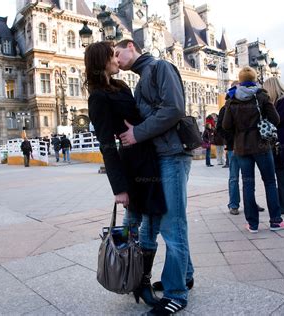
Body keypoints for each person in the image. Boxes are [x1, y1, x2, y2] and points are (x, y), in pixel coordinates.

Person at [85, 41, 167, 307]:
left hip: (147, 155)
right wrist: (118, 187)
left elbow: (137, 117)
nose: (117, 61)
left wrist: (142, 127)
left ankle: (135, 278)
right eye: (112, 56)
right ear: (102, 62)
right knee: (144, 217)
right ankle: (140, 282)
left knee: (141, 218)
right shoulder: (97, 97)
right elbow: (106, 143)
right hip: (132, 163)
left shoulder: (120, 86)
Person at [115, 39, 194, 315]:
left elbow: (174, 108)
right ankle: (185, 275)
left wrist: (137, 132)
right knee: (169, 220)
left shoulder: (160, 67)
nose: (116, 59)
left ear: (130, 46)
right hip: (161, 156)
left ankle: (176, 293)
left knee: (173, 223)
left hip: (172, 154)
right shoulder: (141, 79)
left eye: (117, 53)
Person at [222, 66, 284, 233]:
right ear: (254, 80)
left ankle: (252, 224)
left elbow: (226, 126)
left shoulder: (232, 99)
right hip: (261, 145)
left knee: (247, 184)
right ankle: (276, 220)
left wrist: (239, 132)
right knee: (269, 182)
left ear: (240, 80)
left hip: (242, 147)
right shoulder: (261, 95)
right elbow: (276, 118)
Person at [217, 82, 266, 216]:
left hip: (247, 147)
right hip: (234, 147)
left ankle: (250, 203)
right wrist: (231, 139)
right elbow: (220, 128)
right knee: (234, 177)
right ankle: (234, 204)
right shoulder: (227, 106)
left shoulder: (249, 104)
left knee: (248, 177)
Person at [263, 77, 284, 215]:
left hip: (281, 139)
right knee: (281, 172)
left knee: (282, 172)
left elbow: (276, 120)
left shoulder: (282, 101)